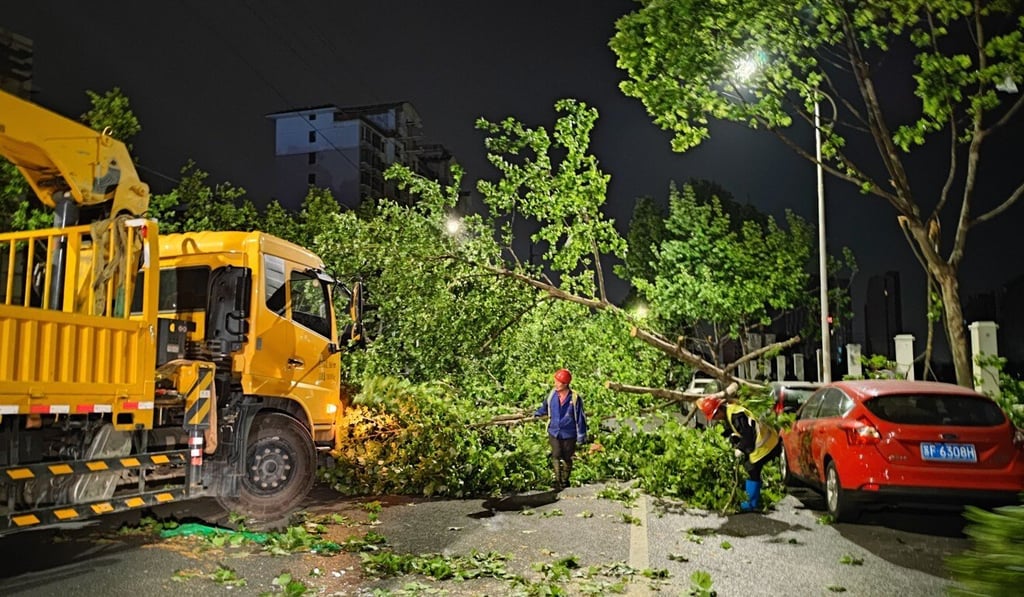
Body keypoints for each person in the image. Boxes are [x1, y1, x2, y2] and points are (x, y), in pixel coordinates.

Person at [695, 396, 781, 512]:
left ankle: (751, 503)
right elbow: (736, 429)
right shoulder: (730, 412)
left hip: (766, 443)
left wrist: (740, 449)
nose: (715, 419)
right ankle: (751, 500)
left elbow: (748, 434)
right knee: (750, 468)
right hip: (761, 442)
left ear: (719, 410)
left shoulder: (736, 415)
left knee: (751, 468)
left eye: (715, 416)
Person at [533, 368, 588, 490]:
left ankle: (565, 480)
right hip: (554, 430)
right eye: (555, 381)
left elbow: (580, 417)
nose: (556, 384)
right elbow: (544, 407)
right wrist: (537, 414)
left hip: (569, 433)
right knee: (556, 454)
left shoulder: (574, 398)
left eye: (558, 382)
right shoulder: (552, 395)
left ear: (565, 384)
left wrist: (581, 435)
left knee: (567, 456)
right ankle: (557, 481)